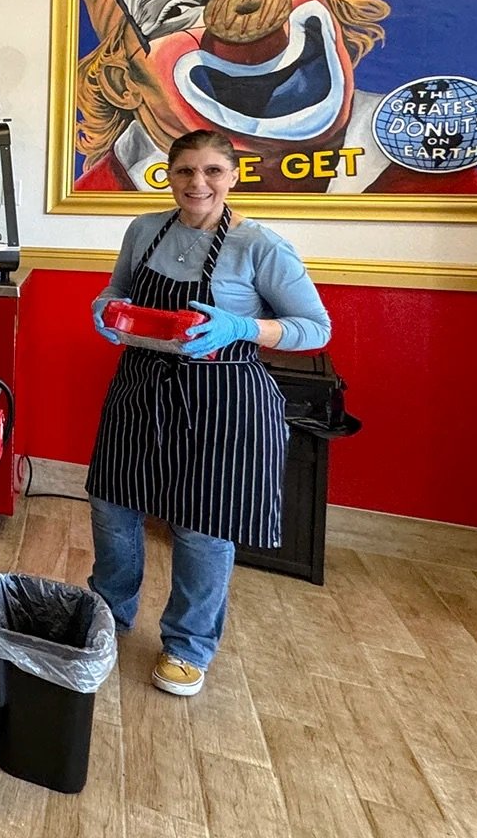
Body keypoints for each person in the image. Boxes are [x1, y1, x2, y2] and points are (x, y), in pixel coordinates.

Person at [86, 128, 330, 696]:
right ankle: (108, 615)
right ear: (167, 176)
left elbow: (315, 329)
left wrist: (243, 327)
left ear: (233, 175)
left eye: (212, 171)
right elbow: (118, 288)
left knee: (202, 525)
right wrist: (105, 308)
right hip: (140, 385)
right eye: (185, 172)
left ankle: (188, 646)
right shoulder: (145, 229)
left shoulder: (261, 246)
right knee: (112, 505)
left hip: (222, 397)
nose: (198, 183)